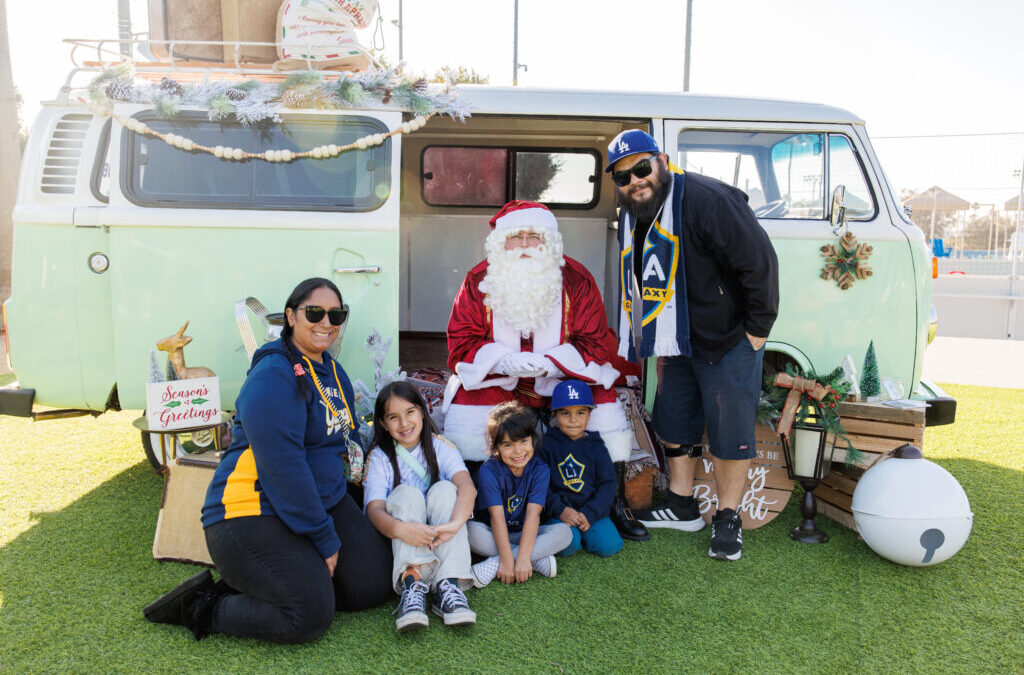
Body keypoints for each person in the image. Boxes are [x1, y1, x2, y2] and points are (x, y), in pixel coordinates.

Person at [144, 278, 393, 643]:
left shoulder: (334, 373)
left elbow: (344, 439)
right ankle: (205, 605)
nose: (327, 322)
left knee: (370, 584)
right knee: (309, 614)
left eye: (336, 314)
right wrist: (324, 538)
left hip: (318, 501)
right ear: (291, 316)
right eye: (315, 312)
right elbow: (283, 468)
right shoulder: (273, 375)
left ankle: (286, 576)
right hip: (251, 509)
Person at [606, 130, 779, 561]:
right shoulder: (634, 210)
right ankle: (682, 504)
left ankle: (727, 516)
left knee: (729, 428)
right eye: (623, 176)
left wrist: (757, 330)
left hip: (726, 337)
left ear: (662, 161)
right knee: (676, 418)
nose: (635, 181)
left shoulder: (708, 199)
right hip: (674, 335)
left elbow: (759, 263)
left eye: (642, 168)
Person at [442, 199, 649, 542]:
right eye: (516, 236)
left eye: (533, 235)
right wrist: (502, 360)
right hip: (502, 380)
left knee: (601, 399)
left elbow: (597, 343)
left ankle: (614, 502)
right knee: (470, 399)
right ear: (500, 242)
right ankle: (478, 503)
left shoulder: (577, 281)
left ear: (549, 241)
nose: (524, 244)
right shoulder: (478, 280)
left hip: (561, 377)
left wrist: (555, 361)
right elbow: (459, 342)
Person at [364, 381, 477, 632]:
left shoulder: (440, 446)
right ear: (383, 423)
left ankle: (448, 585)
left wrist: (455, 525)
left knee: (447, 489)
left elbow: (468, 487)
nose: (404, 424)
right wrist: (401, 530)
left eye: (410, 413)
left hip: (441, 534)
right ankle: (412, 584)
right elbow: (374, 510)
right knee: (404, 493)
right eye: (393, 417)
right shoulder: (380, 458)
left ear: (423, 412)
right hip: (404, 536)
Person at [466, 402, 573, 586]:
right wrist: (508, 561)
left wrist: (521, 558)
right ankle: (536, 559)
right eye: (508, 444)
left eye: (524, 441)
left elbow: (533, 514)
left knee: (565, 533)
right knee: (471, 533)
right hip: (494, 532)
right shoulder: (489, 470)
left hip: (527, 533)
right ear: (496, 447)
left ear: (533, 439)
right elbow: (496, 516)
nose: (518, 451)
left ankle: (494, 563)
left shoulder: (540, 469)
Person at [538, 380, 623, 558]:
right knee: (569, 544)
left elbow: (608, 484)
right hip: (561, 511)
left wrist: (590, 514)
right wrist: (560, 510)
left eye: (580, 412)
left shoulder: (596, 446)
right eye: (565, 413)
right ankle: (571, 534)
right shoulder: (546, 445)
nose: (573, 420)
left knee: (609, 545)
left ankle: (586, 531)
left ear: (589, 414)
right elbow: (540, 484)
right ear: (554, 414)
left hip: (590, 509)